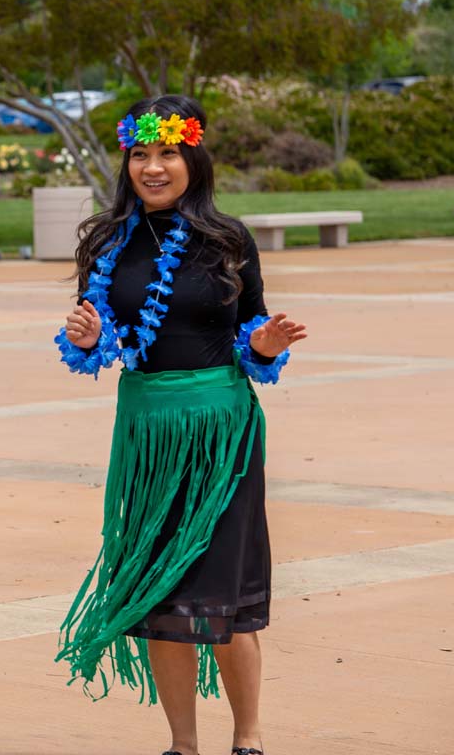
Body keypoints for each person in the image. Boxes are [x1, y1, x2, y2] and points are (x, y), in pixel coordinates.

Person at [53, 95, 307, 755]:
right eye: (140, 154)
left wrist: (266, 346)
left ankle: (248, 739)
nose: (152, 167)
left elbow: (252, 329)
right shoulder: (106, 241)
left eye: (167, 153)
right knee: (160, 595)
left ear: (193, 157)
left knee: (224, 592)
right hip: (148, 433)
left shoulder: (228, 239)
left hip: (221, 431)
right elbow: (99, 336)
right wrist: (86, 339)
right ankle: (183, 746)